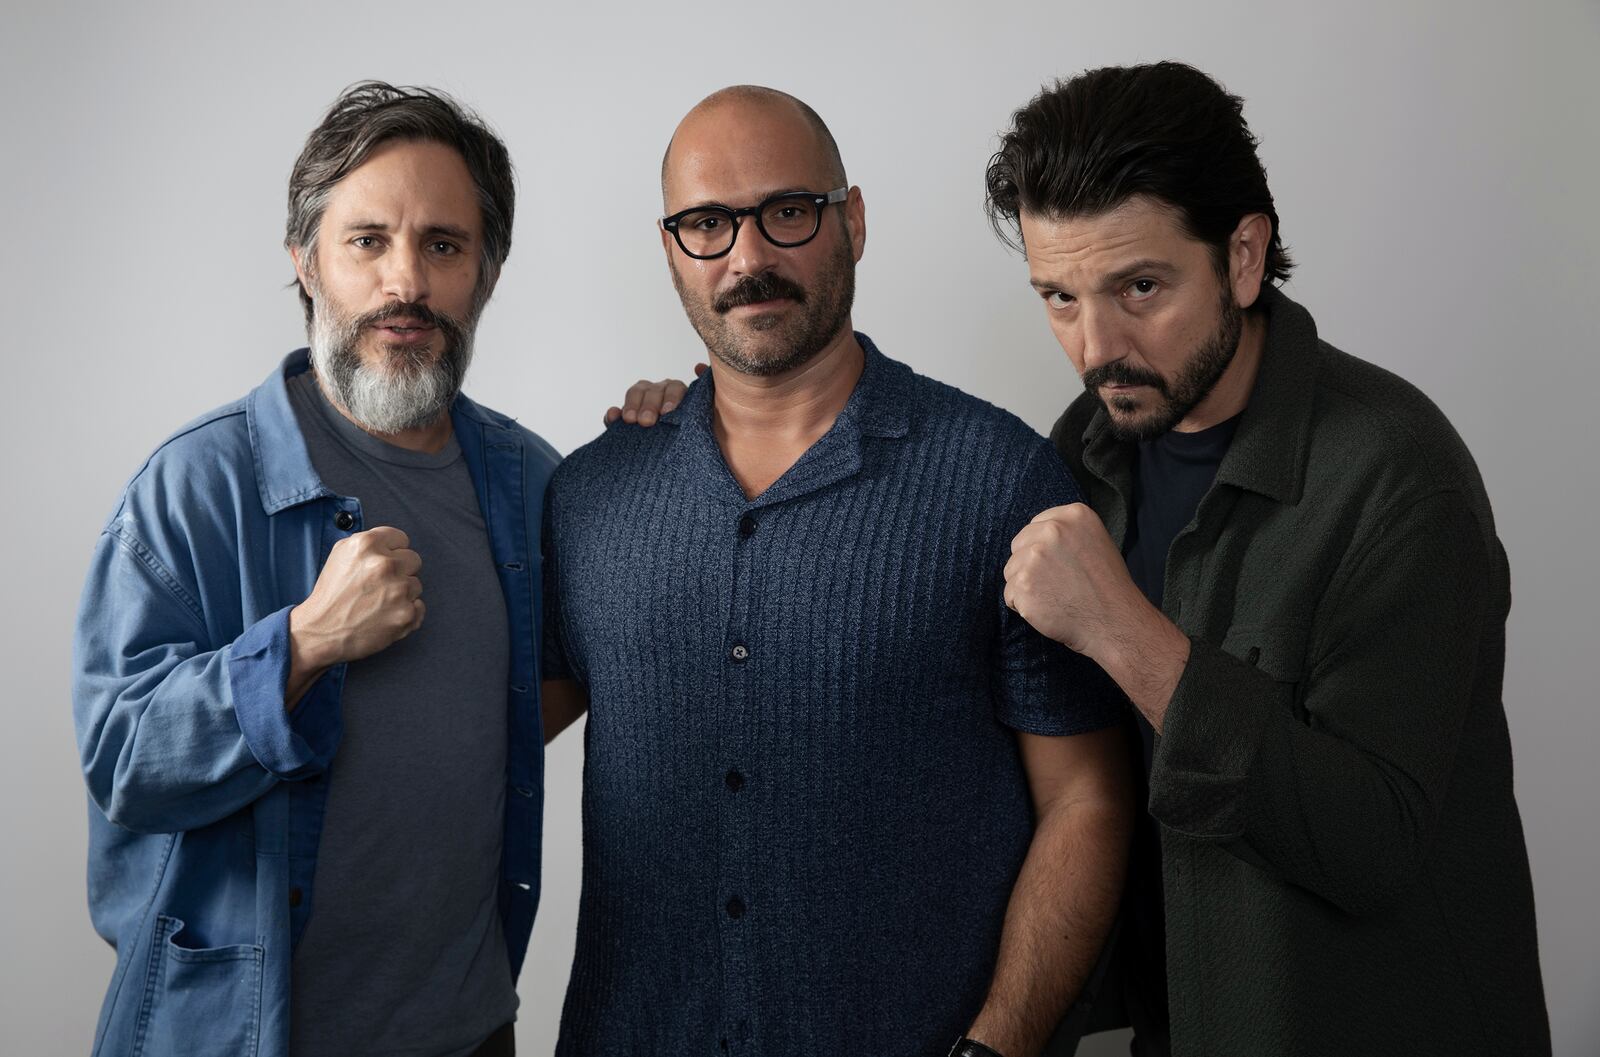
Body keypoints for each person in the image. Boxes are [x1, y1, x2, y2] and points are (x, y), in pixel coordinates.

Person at [70, 82, 690, 1057]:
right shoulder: (195, 484)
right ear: (304, 261)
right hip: (242, 1037)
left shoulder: (532, 481)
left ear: (485, 273)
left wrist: (668, 457)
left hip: (469, 1030)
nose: (407, 280)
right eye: (367, 241)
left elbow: (556, 683)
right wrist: (304, 644)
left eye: (443, 244)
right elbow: (124, 763)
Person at [540, 86, 1134, 1057]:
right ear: (669, 247)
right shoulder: (588, 496)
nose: (747, 257)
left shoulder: (998, 478)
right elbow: (481, 754)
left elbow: (1088, 799)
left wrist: (1000, 1046)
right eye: (705, 224)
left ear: (850, 220)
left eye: (786, 211)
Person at [986, 61, 1551, 1056]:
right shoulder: (1083, 449)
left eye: (1140, 287)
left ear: (1244, 257)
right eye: (1058, 296)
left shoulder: (1395, 475)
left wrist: (1126, 635)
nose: (1093, 345)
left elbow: (1371, 842)